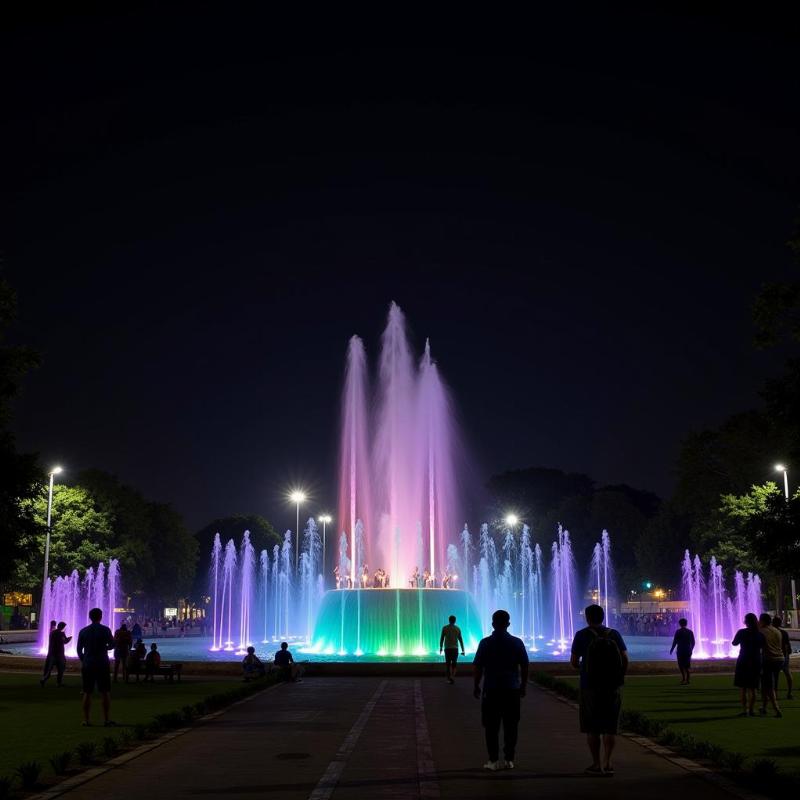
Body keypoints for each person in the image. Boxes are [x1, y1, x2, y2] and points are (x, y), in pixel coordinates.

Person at [570, 604, 628, 776]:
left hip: (589, 687)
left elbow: (573, 662)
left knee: (592, 727)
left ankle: (596, 764)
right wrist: (619, 677)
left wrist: (584, 669)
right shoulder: (614, 634)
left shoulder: (581, 635)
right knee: (610, 727)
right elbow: (625, 659)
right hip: (612, 686)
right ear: (603, 617)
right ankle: (608, 762)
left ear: (587, 618)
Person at [473, 609, 529, 771]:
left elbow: (478, 667)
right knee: (511, 725)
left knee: (491, 726)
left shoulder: (485, 643)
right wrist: (523, 686)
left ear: (492, 624)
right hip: (512, 689)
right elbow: (524, 666)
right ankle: (509, 759)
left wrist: (476, 685)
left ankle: (493, 760)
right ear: (508, 624)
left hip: (491, 690)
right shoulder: (517, 642)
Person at [76, 607, 115, 726]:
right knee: (105, 692)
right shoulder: (105, 630)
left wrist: (84, 659)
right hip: (102, 663)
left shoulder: (83, 631)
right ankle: (106, 719)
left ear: (90, 617)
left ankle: (86, 720)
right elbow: (112, 644)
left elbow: (78, 649)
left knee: (87, 692)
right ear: (101, 617)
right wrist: (105, 648)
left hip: (88, 663)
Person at [732, 613, 764, 716]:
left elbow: (734, 643)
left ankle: (744, 710)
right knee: (753, 687)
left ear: (746, 622)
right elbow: (763, 647)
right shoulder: (760, 634)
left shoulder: (742, 632)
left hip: (743, 660)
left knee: (743, 687)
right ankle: (751, 710)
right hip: (756, 660)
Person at [758, 613, 783, 718]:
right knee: (766, 685)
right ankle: (764, 707)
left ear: (762, 621)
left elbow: (759, 646)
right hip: (780, 659)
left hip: (769, 660)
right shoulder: (777, 631)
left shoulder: (761, 631)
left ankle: (777, 709)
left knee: (768, 686)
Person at [41, 622, 71, 687]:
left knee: (49, 669)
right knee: (61, 669)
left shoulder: (52, 633)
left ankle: (44, 679)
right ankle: (58, 683)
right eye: (64, 627)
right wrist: (70, 638)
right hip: (59, 654)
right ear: (62, 627)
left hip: (52, 653)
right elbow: (65, 642)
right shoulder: (61, 633)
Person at [439, 615, 466, 684]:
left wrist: (441, 647)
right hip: (455, 648)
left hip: (447, 648)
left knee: (448, 664)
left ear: (449, 620)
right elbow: (460, 639)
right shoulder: (457, 628)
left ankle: (448, 679)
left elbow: (442, 638)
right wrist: (463, 649)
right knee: (454, 664)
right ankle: (452, 677)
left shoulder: (445, 628)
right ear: (455, 621)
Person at [772, 617, 794, 700]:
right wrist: (788, 653)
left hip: (776, 656)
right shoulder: (784, 632)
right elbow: (788, 645)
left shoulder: (772, 633)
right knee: (787, 673)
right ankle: (789, 692)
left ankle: (775, 694)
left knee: (775, 675)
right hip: (784, 655)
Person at [669, 618, 695, 685]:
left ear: (680, 624)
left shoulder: (678, 631)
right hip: (687, 650)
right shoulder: (690, 632)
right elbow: (693, 642)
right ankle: (688, 680)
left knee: (681, 665)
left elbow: (675, 641)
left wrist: (672, 649)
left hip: (680, 650)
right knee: (687, 665)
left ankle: (683, 678)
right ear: (686, 624)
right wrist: (691, 649)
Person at [40, 619, 58, 685]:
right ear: (55, 624)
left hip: (50, 650)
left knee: (49, 666)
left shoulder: (51, 629)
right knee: (51, 667)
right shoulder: (53, 630)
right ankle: (45, 678)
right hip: (53, 652)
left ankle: (44, 677)